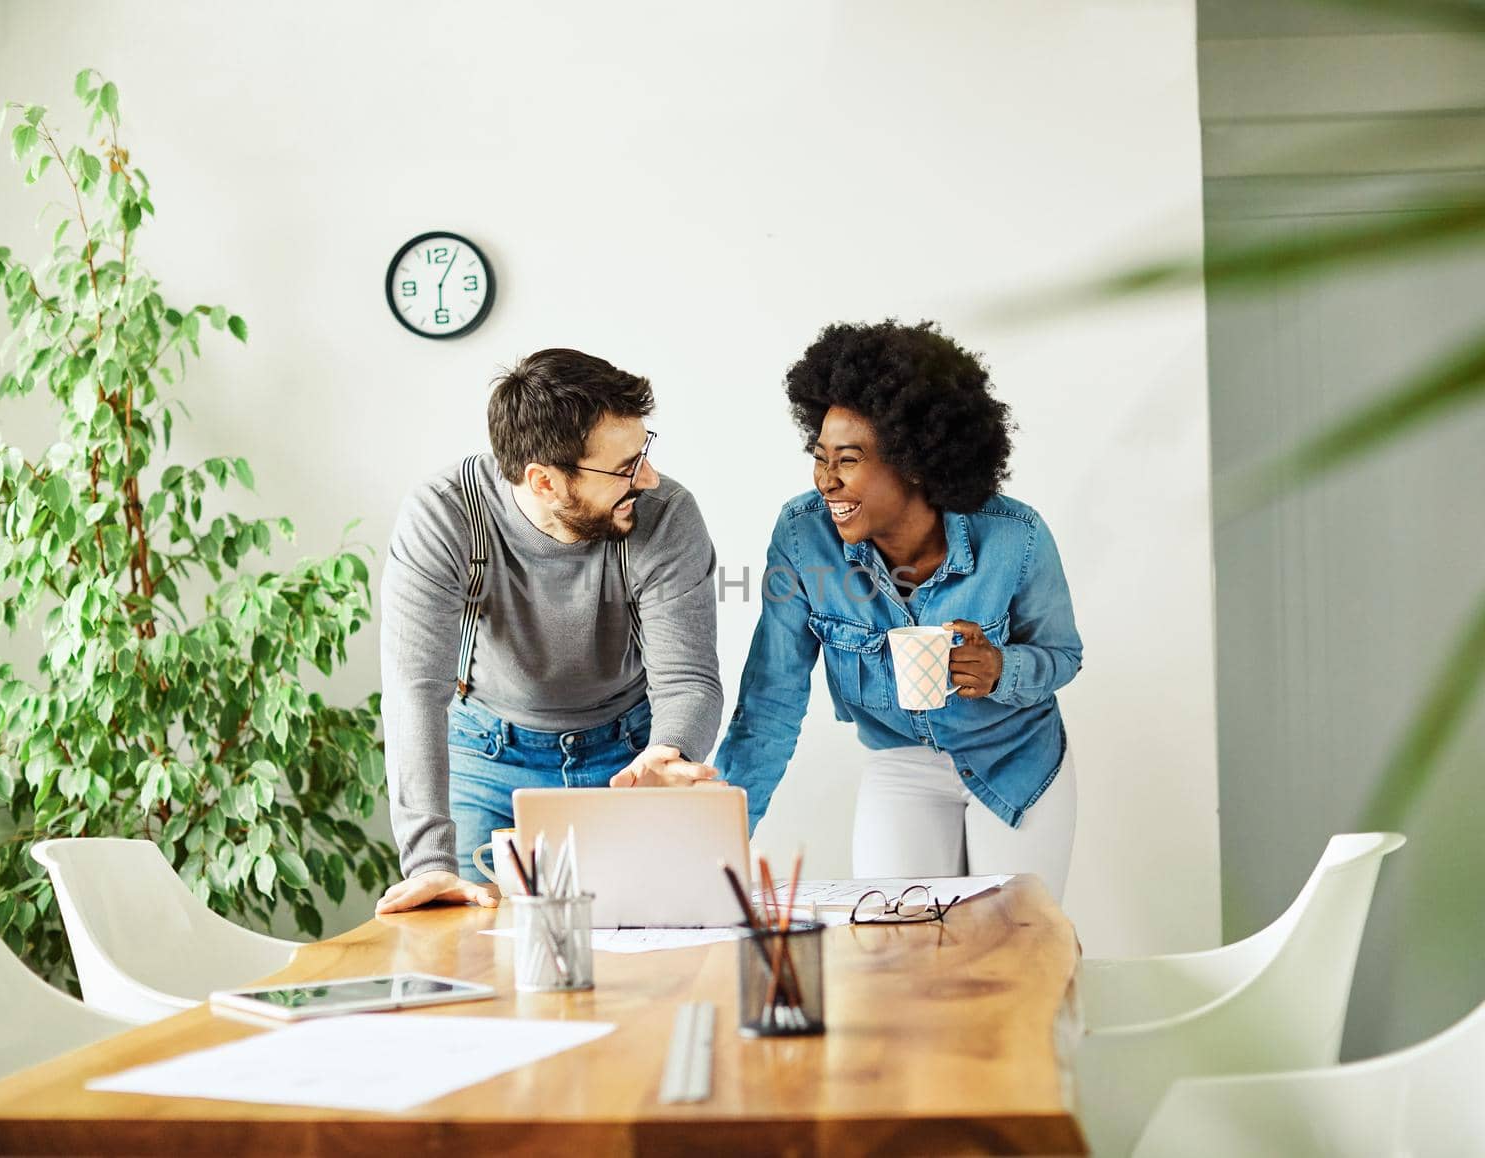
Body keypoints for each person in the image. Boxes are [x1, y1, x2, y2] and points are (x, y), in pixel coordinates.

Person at [712, 321, 1082, 900]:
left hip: (1016, 761)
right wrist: (722, 837)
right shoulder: (803, 535)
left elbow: (1062, 654)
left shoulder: (1016, 536)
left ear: (914, 462)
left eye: (849, 460)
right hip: (902, 765)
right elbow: (771, 699)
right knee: (893, 943)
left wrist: (1001, 670)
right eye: (820, 457)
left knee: (1013, 944)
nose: (827, 481)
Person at [375, 348, 724, 913]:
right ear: (543, 481)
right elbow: (415, 688)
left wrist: (669, 750)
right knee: (473, 951)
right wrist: (428, 862)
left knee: (648, 955)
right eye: (625, 468)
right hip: (487, 757)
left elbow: (687, 678)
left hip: (628, 761)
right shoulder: (445, 514)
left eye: (645, 453)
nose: (650, 478)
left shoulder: (666, 514)